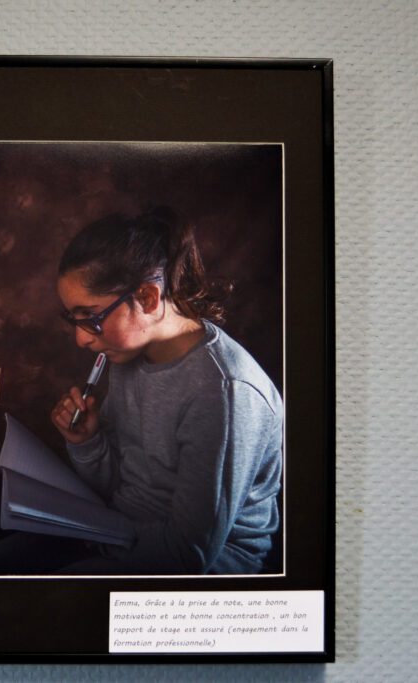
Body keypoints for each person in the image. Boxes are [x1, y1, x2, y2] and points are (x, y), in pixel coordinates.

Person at [51, 206, 282, 574]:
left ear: (147, 298)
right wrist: (87, 444)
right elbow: (123, 490)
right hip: (120, 534)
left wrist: (103, 542)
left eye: (90, 317)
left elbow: (188, 555)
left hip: (199, 572)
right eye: (72, 319)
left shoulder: (225, 394)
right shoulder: (130, 354)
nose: (80, 338)